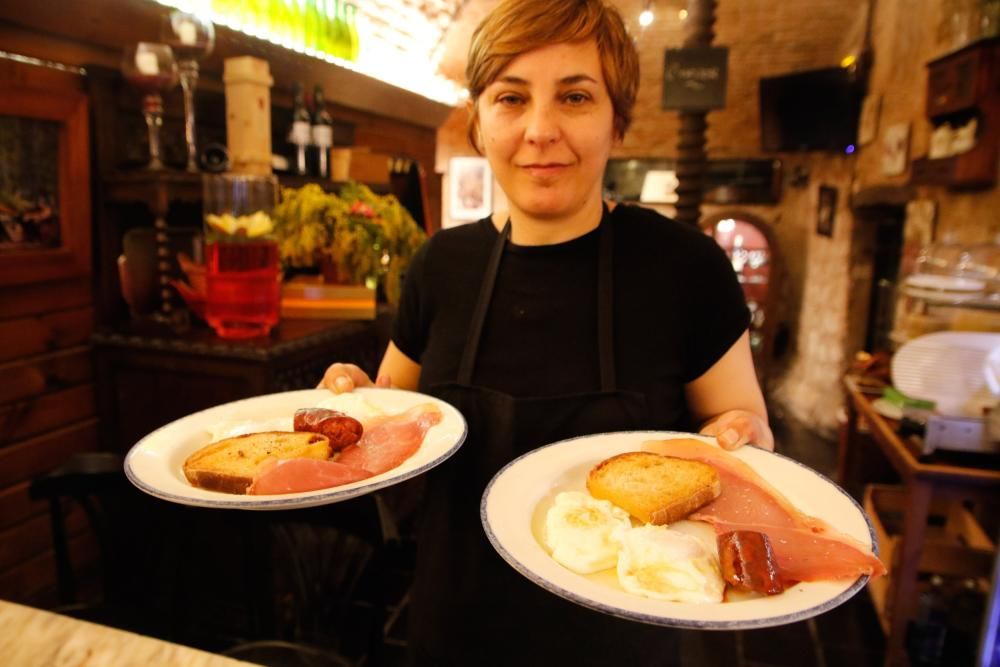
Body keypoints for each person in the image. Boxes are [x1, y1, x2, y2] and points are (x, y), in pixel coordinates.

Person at [321, 0, 773, 663]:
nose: (539, 129)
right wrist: (350, 409)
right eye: (511, 97)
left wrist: (744, 439)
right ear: (478, 119)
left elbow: (745, 429)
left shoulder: (686, 268)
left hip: (633, 629)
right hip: (455, 629)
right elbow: (389, 419)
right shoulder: (440, 265)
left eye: (575, 96)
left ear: (617, 118)